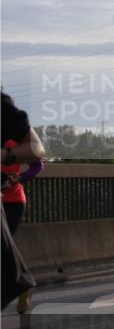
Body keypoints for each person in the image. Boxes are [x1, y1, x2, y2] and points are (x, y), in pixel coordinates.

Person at [1, 91, 45, 311]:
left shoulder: (13, 137)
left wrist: (21, 176)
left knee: (6, 243)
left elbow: (38, 161)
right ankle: (20, 281)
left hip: (13, 198)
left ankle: (19, 281)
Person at [3, 149, 43, 314]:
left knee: (4, 245)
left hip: (13, 202)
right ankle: (23, 284)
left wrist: (20, 177)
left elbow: (37, 165)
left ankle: (23, 285)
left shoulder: (14, 142)